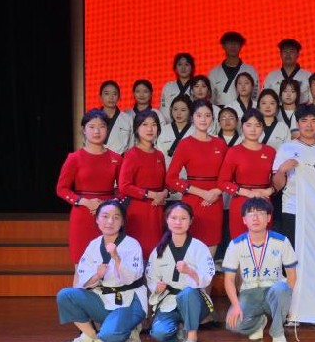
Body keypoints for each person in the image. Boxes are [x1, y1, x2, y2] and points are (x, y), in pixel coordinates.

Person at [55, 199, 146, 342]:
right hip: (103, 299)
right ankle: (92, 337)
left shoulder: (132, 244)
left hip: (129, 300)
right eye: (105, 216)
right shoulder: (93, 245)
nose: (110, 221)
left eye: (116, 217)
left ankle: (131, 329)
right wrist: (97, 275)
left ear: (122, 222)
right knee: (66, 295)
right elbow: (82, 281)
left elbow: (131, 278)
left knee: (110, 337)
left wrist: (116, 257)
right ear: (97, 220)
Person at [223, 197, 298, 342]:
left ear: (268, 218)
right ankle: (259, 323)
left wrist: (287, 299)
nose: (255, 218)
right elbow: (229, 279)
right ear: (244, 220)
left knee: (281, 289)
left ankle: (277, 332)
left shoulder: (281, 241)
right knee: (233, 324)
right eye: (251, 214)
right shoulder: (236, 244)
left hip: (274, 290)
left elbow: (291, 275)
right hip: (249, 293)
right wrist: (236, 305)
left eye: (260, 213)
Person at [146, 201, 216, 342]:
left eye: (183, 218)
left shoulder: (199, 247)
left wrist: (189, 271)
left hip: (194, 301)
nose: (178, 222)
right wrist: (157, 287)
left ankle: (191, 338)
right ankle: (180, 333)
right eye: (174, 218)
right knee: (159, 334)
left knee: (188, 292)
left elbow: (207, 278)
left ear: (191, 221)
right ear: (167, 220)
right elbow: (151, 277)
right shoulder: (159, 250)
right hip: (168, 301)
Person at [56, 109, 123, 263]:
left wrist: (108, 204)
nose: (97, 131)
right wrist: (84, 202)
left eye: (101, 126)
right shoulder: (74, 158)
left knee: (109, 263)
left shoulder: (116, 158)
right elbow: (61, 189)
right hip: (83, 214)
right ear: (84, 130)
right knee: (81, 263)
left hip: (109, 216)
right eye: (92, 127)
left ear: (107, 129)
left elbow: (123, 189)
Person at [272, 104, 315, 246]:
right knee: (293, 249)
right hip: (292, 208)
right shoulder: (286, 148)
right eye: (304, 121)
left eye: (313, 121)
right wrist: (282, 170)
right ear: (298, 124)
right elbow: (276, 186)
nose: (309, 125)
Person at [165, 99, 227, 253]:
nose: (203, 119)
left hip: (215, 201)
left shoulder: (220, 144)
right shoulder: (185, 144)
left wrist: (217, 191)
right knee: (190, 248)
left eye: (207, 115)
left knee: (211, 246)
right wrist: (202, 193)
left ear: (212, 118)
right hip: (192, 201)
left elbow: (229, 175)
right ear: (192, 117)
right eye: (199, 115)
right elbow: (171, 178)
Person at [217, 109, 276, 238]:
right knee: (240, 243)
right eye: (248, 125)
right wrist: (248, 193)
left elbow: (278, 180)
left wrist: (269, 191)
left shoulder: (271, 151)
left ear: (263, 128)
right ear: (242, 127)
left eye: (257, 125)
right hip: (241, 203)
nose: (253, 129)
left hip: (264, 202)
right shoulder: (234, 151)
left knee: (264, 243)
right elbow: (222, 182)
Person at [117, 109, 168, 258]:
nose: (150, 129)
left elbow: (164, 182)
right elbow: (124, 186)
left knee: (156, 252)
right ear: (136, 128)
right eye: (145, 124)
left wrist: (164, 193)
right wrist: (151, 195)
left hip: (158, 208)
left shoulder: (159, 155)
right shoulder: (131, 154)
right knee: (138, 251)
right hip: (139, 209)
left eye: (154, 124)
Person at [208, 31, 259, 107]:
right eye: (229, 43)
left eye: (236, 43)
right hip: (221, 111)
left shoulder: (250, 70)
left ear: (241, 46)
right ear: (223, 46)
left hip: (245, 111)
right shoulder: (214, 73)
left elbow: (255, 94)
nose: (233, 46)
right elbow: (210, 98)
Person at [115, 80, 167, 153]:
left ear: (151, 93)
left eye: (145, 91)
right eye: (138, 91)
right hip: (129, 155)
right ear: (133, 93)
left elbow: (162, 139)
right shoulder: (126, 115)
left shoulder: (158, 114)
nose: (141, 95)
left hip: (151, 154)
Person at [263, 38, 312, 105]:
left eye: (291, 52)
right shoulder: (271, 76)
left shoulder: (308, 76)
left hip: (301, 110)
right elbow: (264, 98)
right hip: (277, 110)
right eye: (285, 51)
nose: (288, 55)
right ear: (280, 54)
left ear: (298, 54)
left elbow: (312, 100)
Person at [97, 80, 133, 154]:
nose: (111, 97)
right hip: (96, 158)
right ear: (100, 96)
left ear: (119, 97)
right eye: (107, 93)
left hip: (120, 159)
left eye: (114, 94)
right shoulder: (92, 118)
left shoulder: (127, 119)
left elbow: (131, 146)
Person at [156, 94, 194, 166]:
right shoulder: (163, 130)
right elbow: (158, 154)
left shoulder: (196, 131)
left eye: (183, 110)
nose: (178, 113)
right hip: (166, 170)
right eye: (175, 109)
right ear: (171, 110)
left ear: (190, 111)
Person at [160, 52, 195, 121]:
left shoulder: (197, 86)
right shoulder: (168, 87)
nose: (183, 68)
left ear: (192, 67)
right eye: (180, 64)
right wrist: (174, 125)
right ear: (175, 68)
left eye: (187, 64)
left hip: (193, 125)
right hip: (172, 125)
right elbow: (164, 111)